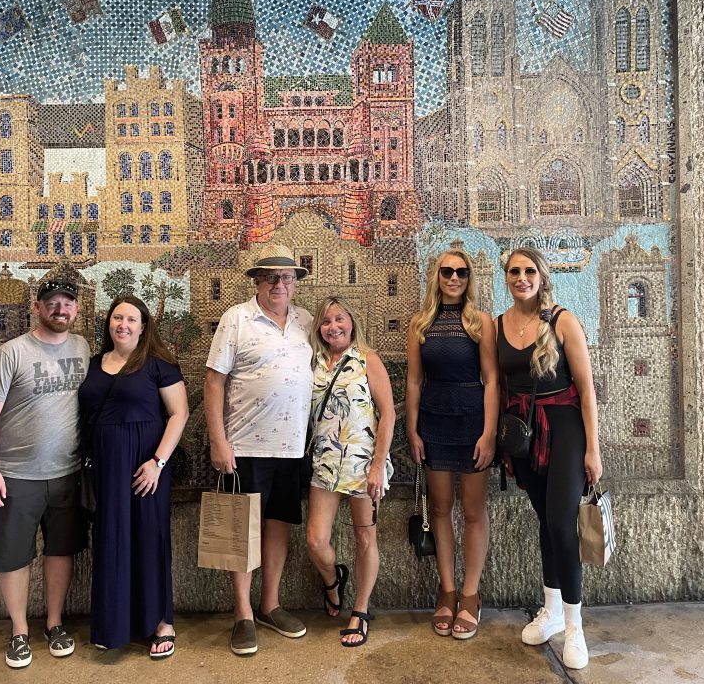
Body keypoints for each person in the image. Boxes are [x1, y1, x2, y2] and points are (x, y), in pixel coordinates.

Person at [204, 244, 314, 656]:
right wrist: (219, 440)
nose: (278, 284)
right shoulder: (237, 318)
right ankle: (244, 613)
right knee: (241, 530)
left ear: (295, 283)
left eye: (286, 277)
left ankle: (270, 603)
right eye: (270, 277)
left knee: (278, 524)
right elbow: (213, 382)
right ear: (256, 281)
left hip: (291, 447)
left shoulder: (305, 321)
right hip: (245, 445)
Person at [497, 247, 602, 670]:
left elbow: (587, 387)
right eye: (513, 271)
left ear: (541, 276)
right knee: (546, 521)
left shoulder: (562, 320)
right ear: (506, 277)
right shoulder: (499, 324)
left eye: (528, 271)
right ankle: (552, 610)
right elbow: (498, 383)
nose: (521, 278)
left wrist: (594, 448)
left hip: (565, 430)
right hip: (522, 434)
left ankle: (575, 626)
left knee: (561, 522)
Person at [0, 278, 90, 669]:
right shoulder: (11, 353)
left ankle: (54, 623)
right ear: (38, 308)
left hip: (68, 473)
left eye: (68, 303)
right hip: (16, 474)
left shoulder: (83, 348)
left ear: (76, 309)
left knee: (61, 551)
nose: (61, 309)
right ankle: (20, 631)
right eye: (52, 303)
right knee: (14, 557)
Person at [77, 295, 189, 658]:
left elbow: (179, 414)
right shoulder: (93, 364)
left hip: (147, 468)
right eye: (117, 318)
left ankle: (162, 622)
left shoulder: (159, 365)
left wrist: (158, 462)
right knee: (111, 540)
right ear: (108, 323)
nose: (123, 324)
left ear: (143, 327)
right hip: (107, 467)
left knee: (149, 539)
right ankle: (113, 626)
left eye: (131, 319)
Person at [405, 248, 499, 640]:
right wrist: (411, 431)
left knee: (474, 510)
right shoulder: (420, 323)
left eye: (461, 272)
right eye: (447, 271)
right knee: (440, 509)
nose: (454, 277)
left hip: (473, 422)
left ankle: (471, 595)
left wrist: (490, 433)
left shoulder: (480, 322)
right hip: (434, 420)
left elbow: (492, 379)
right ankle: (446, 591)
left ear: (469, 277)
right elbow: (413, 381)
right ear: (437, 275)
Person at [304, 296, 395, 648]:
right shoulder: (314, 364)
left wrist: (377, 466)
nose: (333, 327)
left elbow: (388, 414)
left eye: (339, 319)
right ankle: (333, 581)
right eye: (326, 322)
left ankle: (360, 610)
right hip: (325, 465)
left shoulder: (367, 360)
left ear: (352, 322)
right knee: (315, 541)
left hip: (362, 465)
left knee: (365, 538)